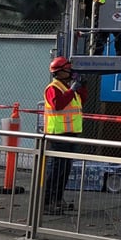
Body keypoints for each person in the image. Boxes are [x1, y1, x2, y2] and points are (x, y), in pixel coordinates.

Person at [43, 56, 87, 215]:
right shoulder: (53, 88)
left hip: (70, 134)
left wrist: (81, 87)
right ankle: (47, 202)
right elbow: (58, 105)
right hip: (58, 135)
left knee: (65, 169)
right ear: (59, 72)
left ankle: (57, 199)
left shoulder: (67, 88)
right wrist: (73, 89)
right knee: (56, 170)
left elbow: (82, 102)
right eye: (68, 69)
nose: (70, 72)